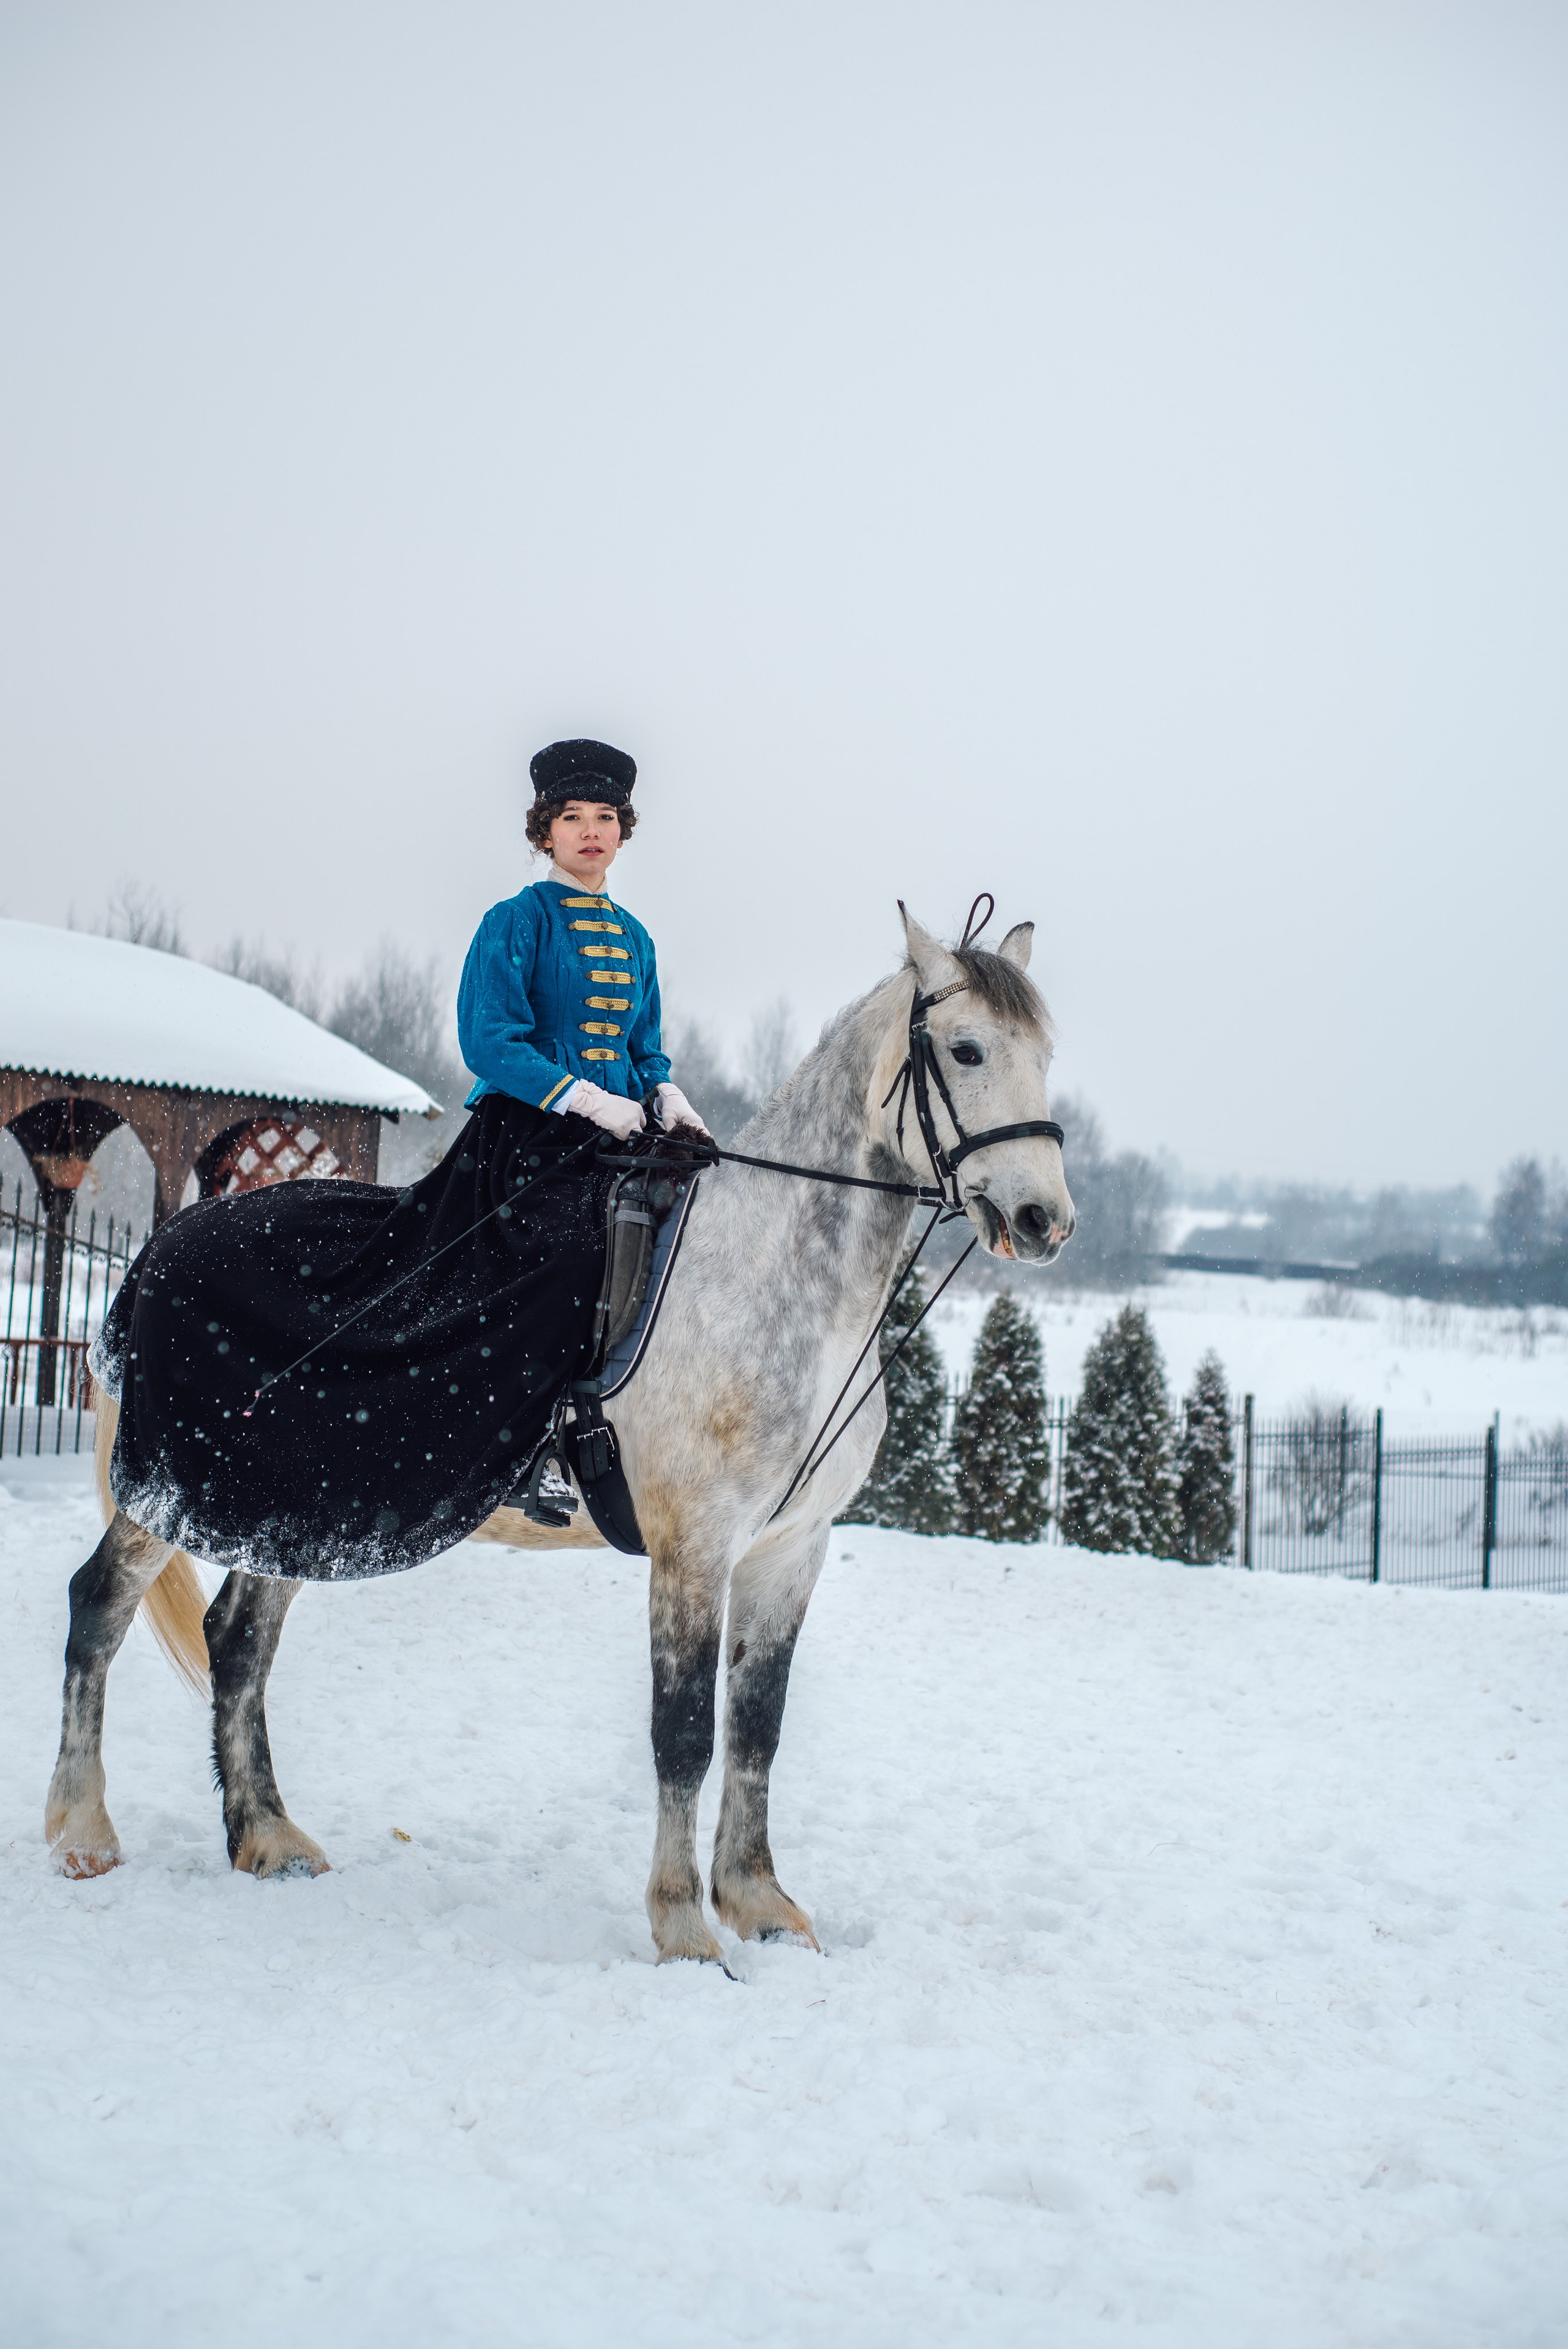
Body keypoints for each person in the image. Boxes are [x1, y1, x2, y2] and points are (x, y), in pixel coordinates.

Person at [457, 737, 707, 1142]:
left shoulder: (637, 938)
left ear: (621, 834)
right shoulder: (516, 918)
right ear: (545, 834)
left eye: (606, 817)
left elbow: (643, 1050)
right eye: (572, 817)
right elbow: (488, 1042)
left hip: (624, 1131)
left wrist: (665, 1092)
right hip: (526, 1134)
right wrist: (585, 1100)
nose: (591, 830)